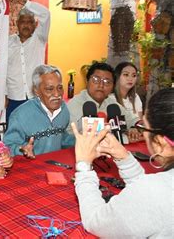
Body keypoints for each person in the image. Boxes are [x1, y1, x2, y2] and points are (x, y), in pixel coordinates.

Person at [72, 88, 174, 238]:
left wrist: (84, 166)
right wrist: (124, 158)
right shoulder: (159, 189)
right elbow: (153, 194)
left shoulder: (155, 193)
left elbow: (96, 222)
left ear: (160, 142)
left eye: (143, 127)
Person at [4, 65, 74, 158]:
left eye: (60, 87)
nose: (57, 94)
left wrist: (83, 141)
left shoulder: (63, 109)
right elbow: (7, 147)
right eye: (50, 89)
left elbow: (62, 137)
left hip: (55, 165)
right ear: (36, 91)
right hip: (30, 168)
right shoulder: (20, 116)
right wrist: (21, 150)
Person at [67, 62, 141, 141]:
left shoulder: (112, 105)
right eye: (96, 80)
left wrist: (134, 128)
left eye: (107, 82)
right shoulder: (75, 103)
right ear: (87, 81)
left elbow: (133, 121)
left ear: (113, 86)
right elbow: (75, 136)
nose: (101, 85)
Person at [6, 0, 50, 124]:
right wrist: (3, 93)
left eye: (30, 22)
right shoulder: (7, 42)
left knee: (36, 132)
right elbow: (2, 69)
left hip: (35, 97)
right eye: (23, 22)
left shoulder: (40, 39)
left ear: (35, 25)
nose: (26, 25)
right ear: (16, 23)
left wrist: (26, 3)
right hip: (13, 97)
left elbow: (46, 14)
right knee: (14, 132)